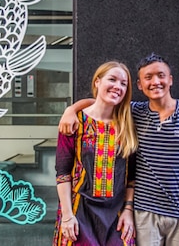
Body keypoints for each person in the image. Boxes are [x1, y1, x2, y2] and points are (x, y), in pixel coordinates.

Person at [60, 53, 179, 246]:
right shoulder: (133, 112)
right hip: (143, 212)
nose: (156, 82)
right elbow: (102, 101)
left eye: (161, 75)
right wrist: (70, 110)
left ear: (170, 79)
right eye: (148, 77)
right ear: (139, 85)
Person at [54, 61, 139, 246]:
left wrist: (128, 210)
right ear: (97, 82)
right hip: (79, 211)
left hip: (116, 215)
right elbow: (62, 174)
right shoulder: (74, 122)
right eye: (112, 79)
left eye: (123, 83)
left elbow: (131, 177)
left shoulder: (128, 125)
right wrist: (67, 216)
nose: (118, 86)